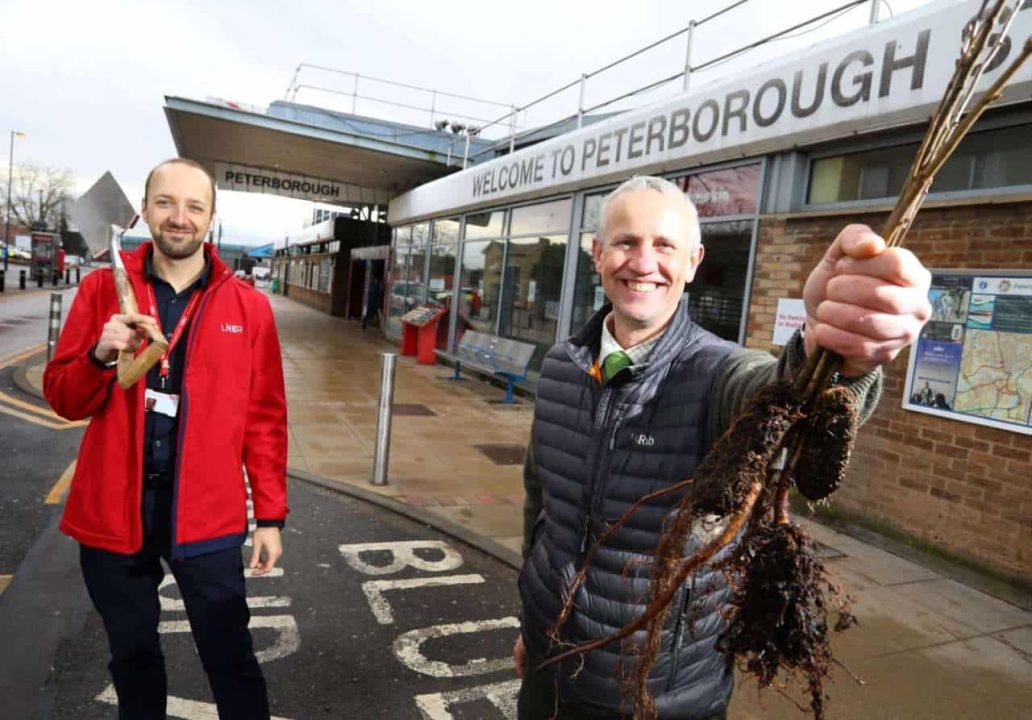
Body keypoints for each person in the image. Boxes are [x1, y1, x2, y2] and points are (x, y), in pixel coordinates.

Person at [513, 176, 931, 719]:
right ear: (597, 254)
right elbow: (539, 506)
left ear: (692, 261)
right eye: (625, 242)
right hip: (549, 676)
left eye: (664, 246)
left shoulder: (718, 375)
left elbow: (779, 403)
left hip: (662, 696)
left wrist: (833, 360)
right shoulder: (559, 367)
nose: (643, 262)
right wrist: (531, 626)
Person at [44, 158, 288, 720]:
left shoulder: (248, 309)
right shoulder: (103, 291)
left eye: (194, 206)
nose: (179, 217)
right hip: (113, 515)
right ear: (145, 210)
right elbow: (63, 397)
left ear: (211, 217)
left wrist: (269, 515)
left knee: (230, 656)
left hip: (206, 518)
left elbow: (265, 419)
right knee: (132, 656)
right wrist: (101, 354)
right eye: (165, 203)